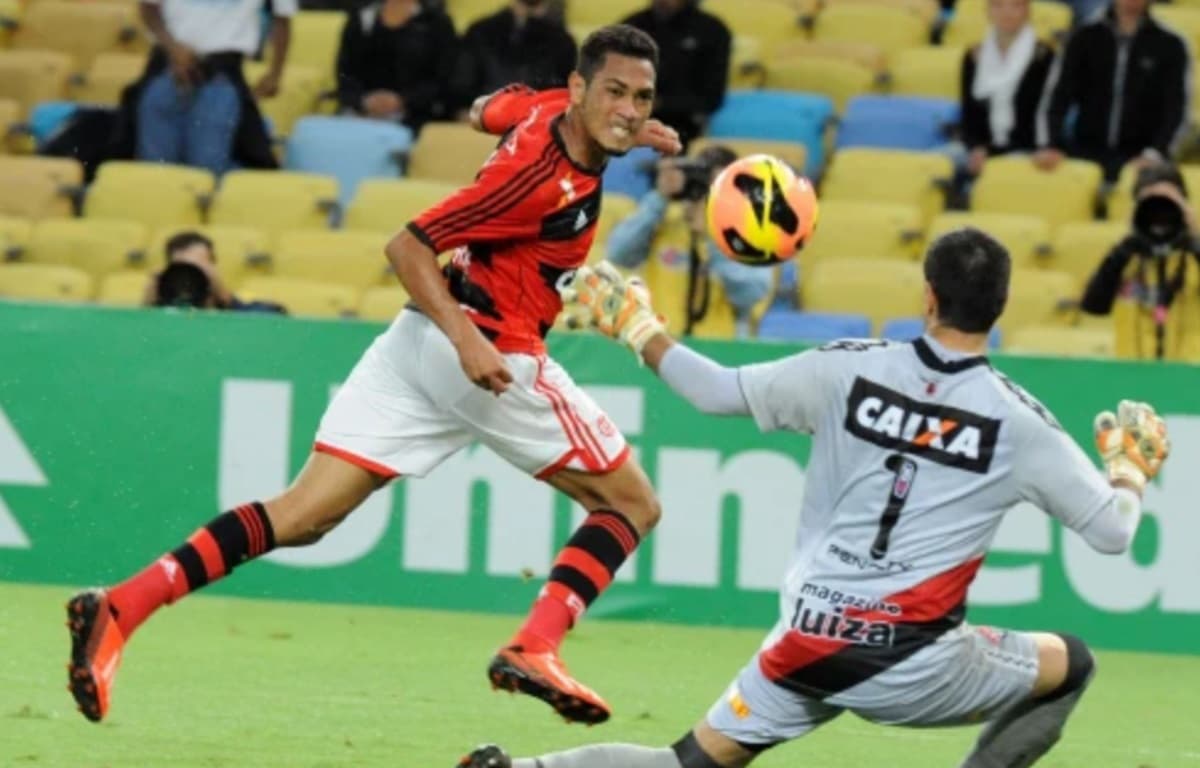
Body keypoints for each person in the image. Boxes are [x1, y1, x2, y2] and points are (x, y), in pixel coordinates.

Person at [65, 24, 683, 727]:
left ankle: (122, 606)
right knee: (632, 505)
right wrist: (469, 345)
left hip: (416, 346)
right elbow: (408, 246)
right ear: (577, 88)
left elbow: (483, 110)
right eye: (614, 92)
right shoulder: (535, 180)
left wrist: (620, 127)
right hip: (488, 352)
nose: (630, 109)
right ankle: (535, 645)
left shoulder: (545, 110)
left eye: (641, 98)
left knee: (304, 517)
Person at [457, 227, 1171, 768]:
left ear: (928, 297)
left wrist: (639, 330)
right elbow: (1113, 533)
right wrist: (1130, 474)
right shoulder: (1019, 424)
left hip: (807, 642)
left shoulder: (848, 370)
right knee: (1071, 664)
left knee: (689, 762)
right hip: (913, 663)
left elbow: (716, 392)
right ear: (1001, 307)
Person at [606, 145, 773, 337]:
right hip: (660, 342)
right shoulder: (664, 218)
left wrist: (714, 236)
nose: (709, 192)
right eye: (705, 181)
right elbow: (618, 254)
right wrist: (659, 198)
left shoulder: (745, 233)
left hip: (720, 347)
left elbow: (750, 295)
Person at [1034, 0, 1191, 181]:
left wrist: (1156, 153)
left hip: (1143, 160)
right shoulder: (1083, 36)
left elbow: (1177, 110)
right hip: (1084, 155)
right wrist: (1049, 144)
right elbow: (1056, 97)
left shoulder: (1171, 43)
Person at [134, 0, 291, 174]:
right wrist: (173, 48)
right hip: (167, 72)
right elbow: (148, 9)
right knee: (155, 170)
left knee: (207, 169)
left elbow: (282, 19)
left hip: (221, 75)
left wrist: (275, 73)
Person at [1080, 162, 1200, 361]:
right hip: (1132, 370)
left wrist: (1193, 239)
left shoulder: (1194, 256)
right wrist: (1129, 243)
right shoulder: (1124, 256)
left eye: (1168, 203)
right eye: (1150, 204)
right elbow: (1094, 306)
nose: (1160, 215)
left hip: (1190, 372)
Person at [959, 0, 1056, 178]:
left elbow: (1042, 117)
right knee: (938, 162)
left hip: (1026, 148)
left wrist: (990, 152)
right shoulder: (973, 55)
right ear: (988, 11)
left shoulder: (1044, 56)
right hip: (978, 147)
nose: (1007, 12)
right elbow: (968, 116)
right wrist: (976, 148)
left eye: (1016, 5)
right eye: (998, 5)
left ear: (1027, 11)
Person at [335, 0, 458, 132]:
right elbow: (346, 73)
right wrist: (363, 101)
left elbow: (444, 78)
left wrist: (403, 100)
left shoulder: (438, 22)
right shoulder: (361, 18)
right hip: (360, 112)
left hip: (417, 115)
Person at [621, 0, 731, 149]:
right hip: (630, 119)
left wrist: (661, 103)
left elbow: (711, 98)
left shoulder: (713, 30)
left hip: (683, 126)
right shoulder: (631, 27)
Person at [453, 0, 577, 113]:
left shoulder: (562, 42)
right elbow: (460, 93)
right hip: (481, 122)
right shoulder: (480, 33)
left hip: (538, 123)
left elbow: (565, 99)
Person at [142, 231, 285, 312]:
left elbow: (275, 317)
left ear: (213, 268)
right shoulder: (166, 313)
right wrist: (148, 308)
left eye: (198, 267)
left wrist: (226, 300)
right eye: (183, 268)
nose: (189, 278)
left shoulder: (246, 309)